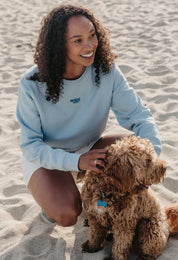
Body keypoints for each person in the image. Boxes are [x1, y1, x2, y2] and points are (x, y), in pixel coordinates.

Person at [16, 4, 161, 227]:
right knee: (68, 214)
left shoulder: (107, 70)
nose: (90, 45)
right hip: (47, 158)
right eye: (78, 40)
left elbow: (140, 116)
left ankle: (100, 203)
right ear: (59, 46)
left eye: (92, 35)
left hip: (91, 147)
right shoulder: (31, 84)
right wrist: (76, 161)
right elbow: (31, 146)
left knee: (135, 152)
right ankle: (54, 197)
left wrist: (152, 160)